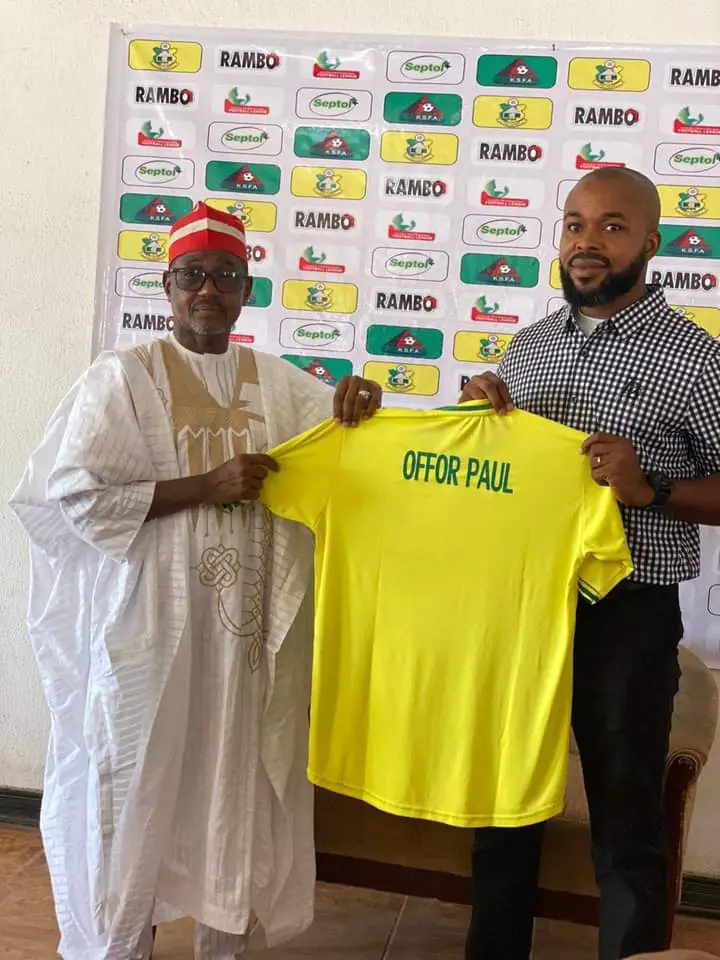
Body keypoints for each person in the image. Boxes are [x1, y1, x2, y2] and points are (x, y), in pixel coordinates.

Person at [9, 201, 381, 960]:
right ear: (167, 287)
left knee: (233, 784)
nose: (208, 289)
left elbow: (356, 454)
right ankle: (121, 945)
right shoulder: (124, 378)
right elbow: (76, 495)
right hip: (147, 630)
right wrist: (206, 486)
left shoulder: (278, 385)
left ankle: (222, 946)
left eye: (225, 275)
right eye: (192, 275)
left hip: (243, 642)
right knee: (133, 781)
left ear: (247, 290)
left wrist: (365, 407)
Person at [460, 168, 720, 960]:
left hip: (627, 618)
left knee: (625, 825)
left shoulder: (696, 360)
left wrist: (651, 487)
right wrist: (481, 426)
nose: (587, 242)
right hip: (525, 608)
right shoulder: (528, 349)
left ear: (652, 242)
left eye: (611, 226)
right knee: (503, 815)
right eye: (575, 224)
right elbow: (502, 480)